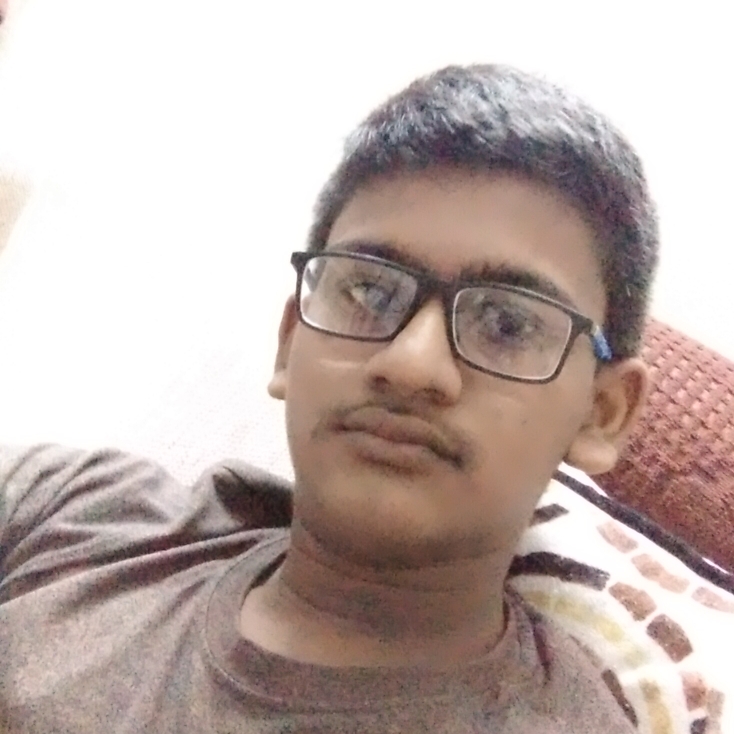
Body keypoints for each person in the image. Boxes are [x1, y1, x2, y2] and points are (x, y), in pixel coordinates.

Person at [0, 63, 657, 733]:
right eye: (370, 291)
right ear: (290, 341)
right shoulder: (68, 512)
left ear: (601, 413)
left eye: (508, 324)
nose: (411, 364)